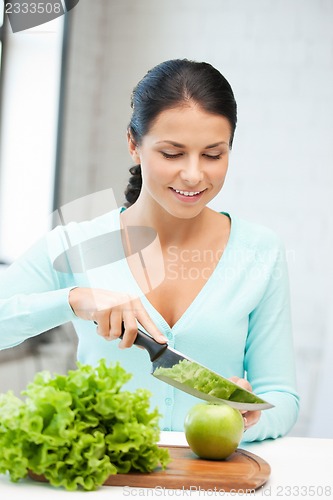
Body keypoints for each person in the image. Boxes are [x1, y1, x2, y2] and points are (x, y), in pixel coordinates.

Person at [0, 59, 299, 441]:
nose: (193, 175)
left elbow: (281, 396)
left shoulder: (261, 251)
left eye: (212, 155)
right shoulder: (74, 244)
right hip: (105, 482)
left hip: (212, 483)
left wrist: (248, 422)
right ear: (133, 144)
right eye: (172, 154)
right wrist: (74, 300)